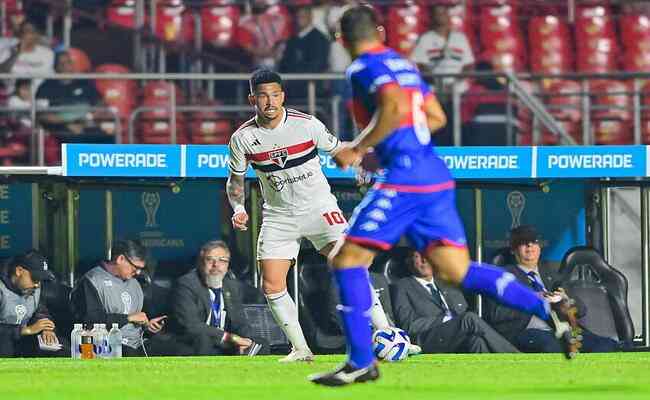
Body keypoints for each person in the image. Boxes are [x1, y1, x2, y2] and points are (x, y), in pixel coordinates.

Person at [309, 5, 581, 386]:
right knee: (457, 270)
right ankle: (546, 307)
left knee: (346, 259)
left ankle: (361, 360)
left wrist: (357, 148)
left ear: (341, 39)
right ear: (382, 32)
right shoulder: (404, 65)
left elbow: (394, 106)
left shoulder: (362, 67)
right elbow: (435, 116)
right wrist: (385, 147)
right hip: (432, 174)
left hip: (404, 177)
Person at [227, 68, 346, 362]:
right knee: (271, 283)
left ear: (283, 96)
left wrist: (363, 168)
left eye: (275, 95)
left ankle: (385, 332)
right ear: (252, 98)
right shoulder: (242, 138)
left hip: (319, 208)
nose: (270, 102)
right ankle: (301, 349)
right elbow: (235, 182)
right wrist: (239, 208)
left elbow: (339, 149)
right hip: (279, 216)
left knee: (349, 265)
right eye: (264, 96)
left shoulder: (307, 125)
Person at [484, 225, 620, 353]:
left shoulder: (550, 274)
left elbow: (581, 309)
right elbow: (496, 314)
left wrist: (566, 301)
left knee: (606, 345)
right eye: (523, 242)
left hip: (564, 330)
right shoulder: (502, 276)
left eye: (533, 241)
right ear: (513, 250)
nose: (530, 245)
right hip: (527, 332)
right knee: (555, 346)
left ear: (539, 248)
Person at [71, 239, 185, 356]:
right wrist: (128, 318)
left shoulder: (135, 283)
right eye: (135, 267)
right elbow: (90, 320)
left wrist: (148, 326)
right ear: (121, 259)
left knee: (180, 350)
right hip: (106, 345)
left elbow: (138, 321)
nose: (138, 272)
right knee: (129, 353)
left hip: (138, 343)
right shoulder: (92, 280)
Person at [393, 248, 518, 354]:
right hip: (425, 339)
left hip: (454, 335)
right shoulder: (401, 287)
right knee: (469, 318)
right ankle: (515, 356)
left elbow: (462, 309)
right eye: (418, 256)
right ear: (409, 262)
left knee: (476, 341)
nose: (424, 260)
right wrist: (444, 320)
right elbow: (409, 326)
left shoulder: (445, 283)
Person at [169, 240, 263, 356]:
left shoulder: (232, 286)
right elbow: (191, 325)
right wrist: (229, 337)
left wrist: (247, 339)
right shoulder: (186, 284)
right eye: (210, 260)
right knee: (204, 340)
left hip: (224, 342)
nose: (216, 265)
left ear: (228, 265)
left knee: (260, 342)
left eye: (222, 261)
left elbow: (240, 322)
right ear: (200, 262)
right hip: (193, 341)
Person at [0, 250, 68, 357]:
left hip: (22, 341)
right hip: (5, 343)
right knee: (5, 345)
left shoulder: (34, 289)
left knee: (61, 345)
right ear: (19, 271)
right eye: (35, 278)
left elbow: (40, 312)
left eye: (40, 280)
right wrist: (24, 330)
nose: (37, 284)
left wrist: (46, 329)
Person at [35, 50, 113, 142]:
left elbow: (100, 103)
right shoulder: (46, 87)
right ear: (55, 67)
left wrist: (91, 118)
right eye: (62, 63)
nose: (65, 66)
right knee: (75, 139)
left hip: (86, 124)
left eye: (68, 62)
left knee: (108, 138)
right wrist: (68, 123)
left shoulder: (84, 83)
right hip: (60, 128)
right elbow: (42, 115)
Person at [278, 6, 330, 103]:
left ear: (310, 17)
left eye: (302, 16)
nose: (299, 20)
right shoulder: (292, 39)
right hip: (291, 90)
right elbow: (284, 62)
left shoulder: (319, 39)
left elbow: (318, 64)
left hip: (311, 90)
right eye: (297, 17)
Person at [0, 21, 54, 91]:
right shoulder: (7, 51)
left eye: (28, 31)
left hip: (37, 93)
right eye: (22, 31)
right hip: (10, 94)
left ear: (36, 35)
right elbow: (2, 72)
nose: (24, 34)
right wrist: (16, 55)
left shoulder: (48, 54)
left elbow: (44, 77)